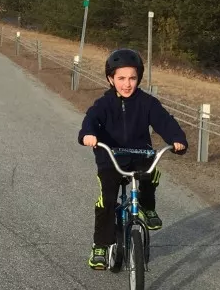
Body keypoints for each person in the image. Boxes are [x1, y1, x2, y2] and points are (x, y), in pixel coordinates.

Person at [78, 48, 188, 270]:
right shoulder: (104, 104)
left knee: (150, 173)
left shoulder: (147, 103)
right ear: (111, 78)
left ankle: (147, 207)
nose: (127, 84)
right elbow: (91, 120)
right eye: (121, 78)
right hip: (111, 157)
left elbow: (164, 121)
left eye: (132, 78)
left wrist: (177, 139)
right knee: (107, 200)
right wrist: (88, 135)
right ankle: (100, 244)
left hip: (139, 154)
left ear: (138, 78)